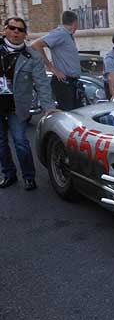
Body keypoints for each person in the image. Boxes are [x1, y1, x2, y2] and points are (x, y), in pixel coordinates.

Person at [0, 17, 57, 190]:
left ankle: (29, 177)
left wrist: (48, 107)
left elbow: (42, 83)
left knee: (21, 142)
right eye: (12, 28)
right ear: (5, 30)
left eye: (20, 30)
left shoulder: (32, 57)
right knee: (1, 143)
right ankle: (9, 174)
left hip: (17, 106)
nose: (16, 31)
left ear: (25, 34)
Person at [31, 10, 81, 111]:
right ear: (75, 23)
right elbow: (35, 45)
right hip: (64, 83)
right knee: (68, 116)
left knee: (75, 114)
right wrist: (52, 69)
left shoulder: (68, 35)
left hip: (71, 83)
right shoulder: (61, 33)